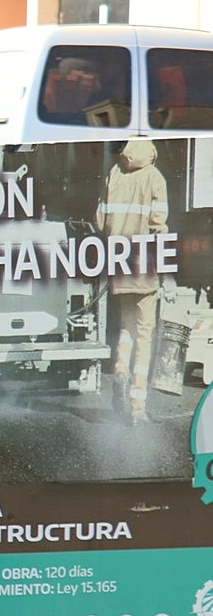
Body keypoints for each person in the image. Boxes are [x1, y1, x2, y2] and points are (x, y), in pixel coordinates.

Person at [96, 138, 170, 424]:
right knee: (145, 334)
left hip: (120, 261)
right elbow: (159, 225)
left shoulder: (113, 174)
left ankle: (120, 369)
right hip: (146, 264)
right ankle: (138, 406)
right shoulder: (155, 177)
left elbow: (101, 221)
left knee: (126, 326)